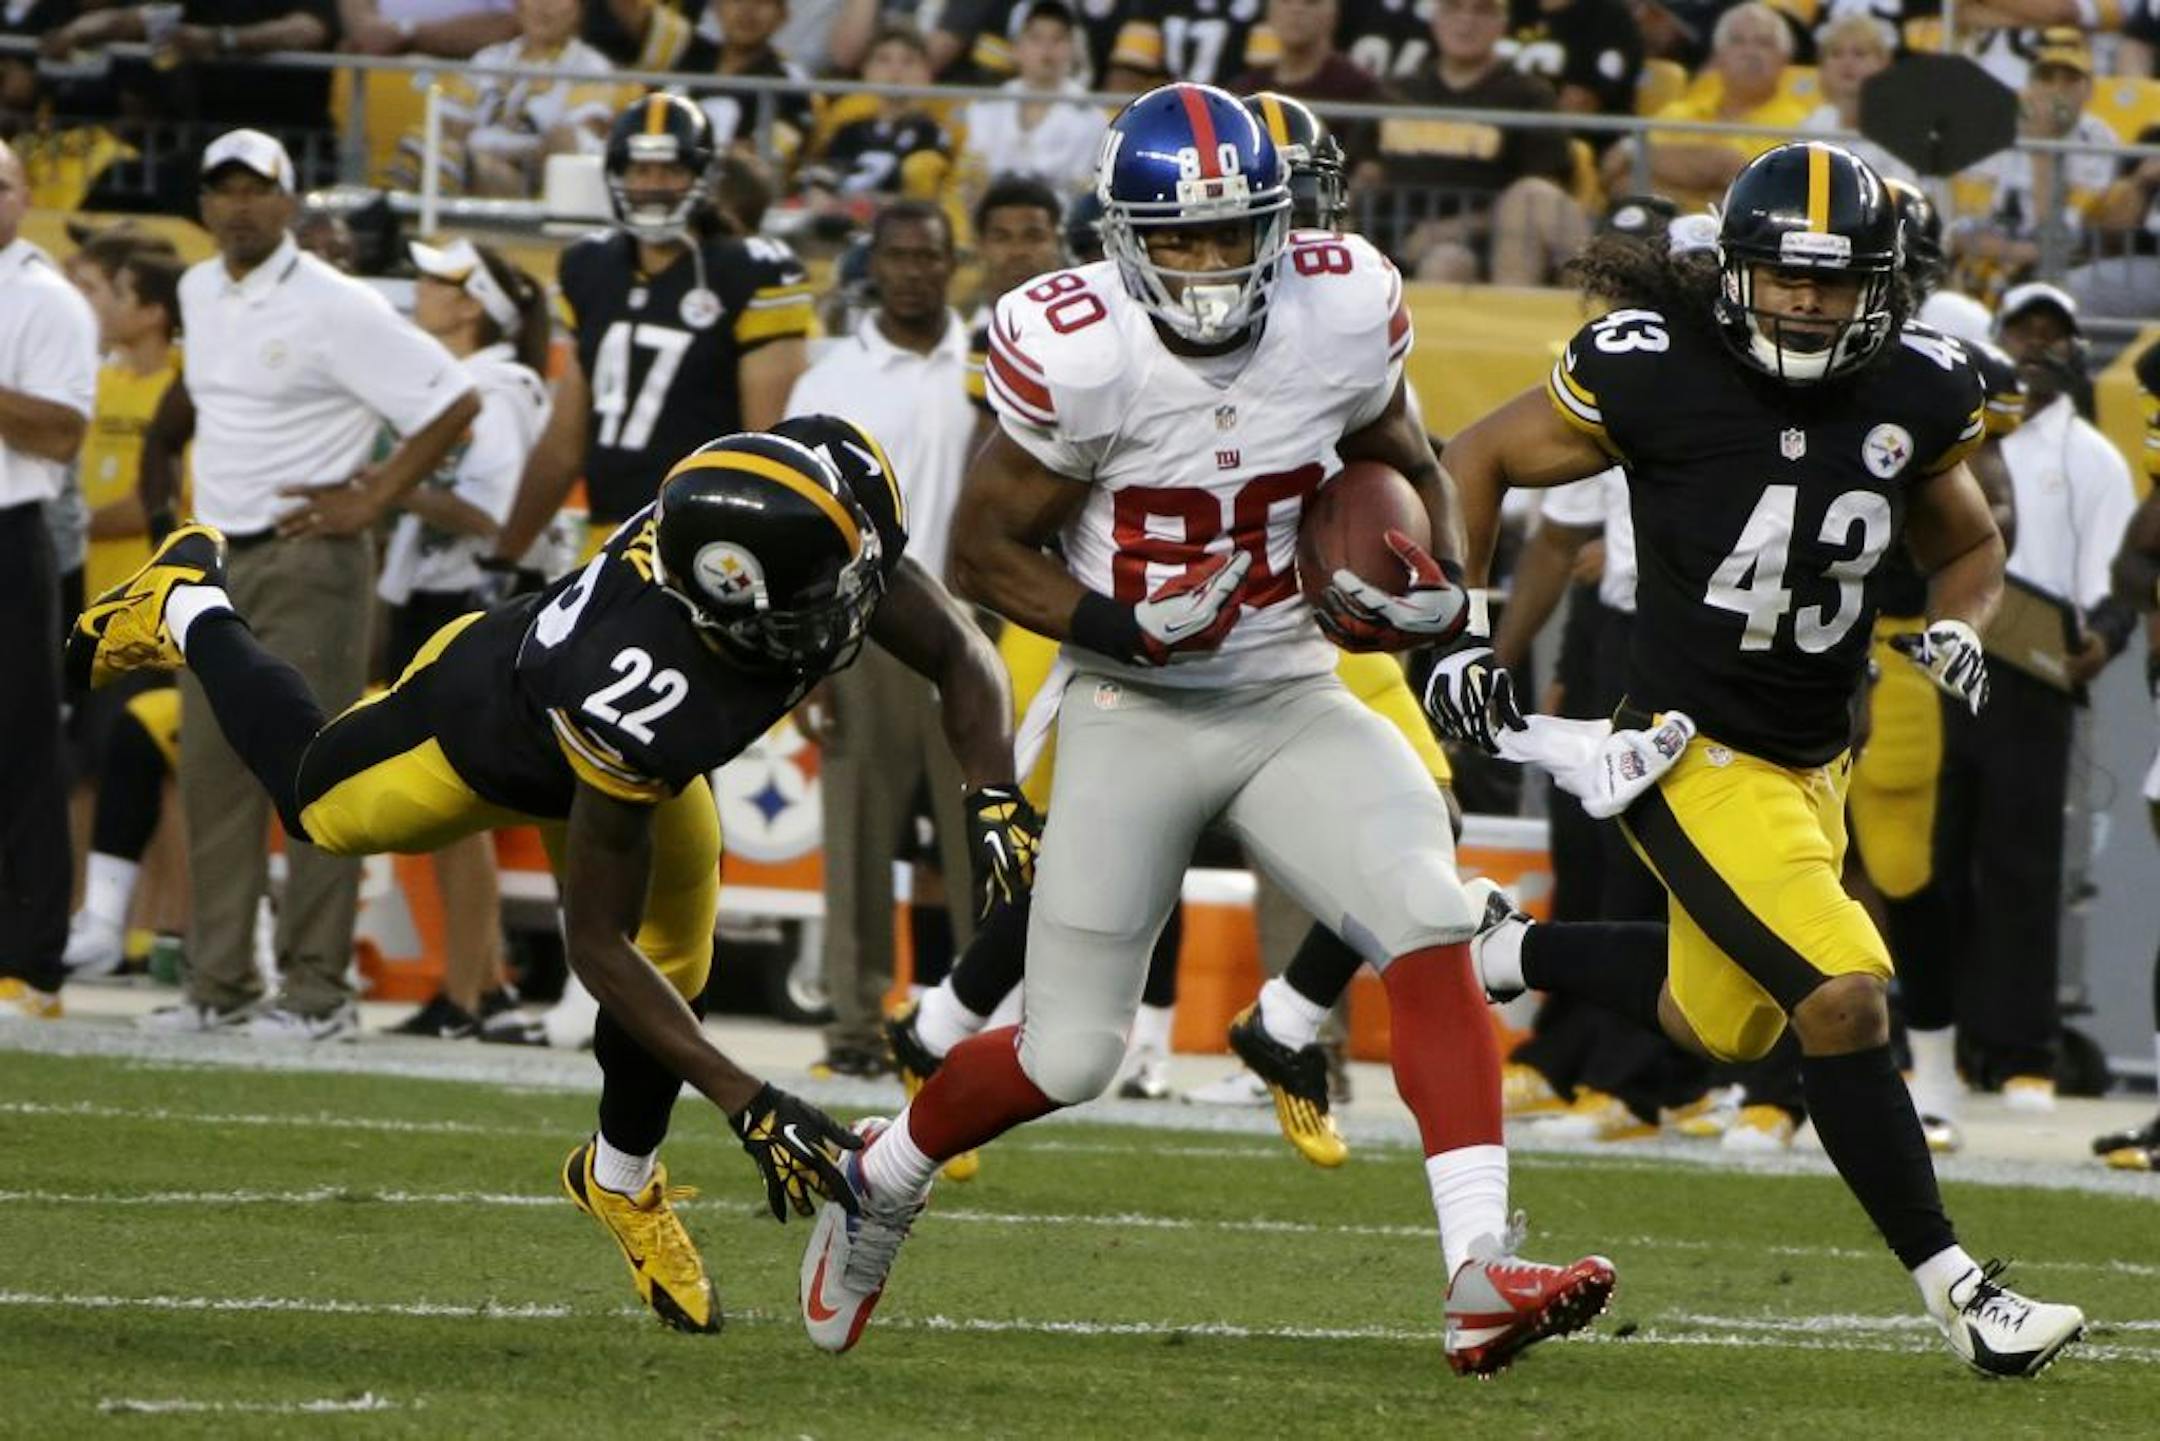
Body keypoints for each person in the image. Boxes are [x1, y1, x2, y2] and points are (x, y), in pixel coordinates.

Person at [801, 81, 1618, 1375]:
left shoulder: (1340, 309)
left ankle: (1476, 1270)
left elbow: (1413, 458)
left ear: (1278, 225)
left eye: (1232, 232)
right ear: (1124, 239)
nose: (1207, 261)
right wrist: (1129, 627)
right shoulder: (1081, 347)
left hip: (1292, 689)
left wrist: (1442, 611)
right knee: (1073, 1052)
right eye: (1176, 238)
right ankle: (881, 1171)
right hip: (1135, 701)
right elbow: (980, 548)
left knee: (1428, 915)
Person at [72, 412, 1037, 1335]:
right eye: (824, 597)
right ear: (733, 612)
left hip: (634, 749)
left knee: (680, 961)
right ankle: (189, 603)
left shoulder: (811, 507)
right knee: (316, 804)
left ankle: (618, 1177)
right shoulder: (645, 688)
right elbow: (595, 947)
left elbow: (957, 647)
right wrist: (753, 1102)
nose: (856, 606)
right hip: (490, 732)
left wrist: (993, 794)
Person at [1425, 139, 2088, 1378]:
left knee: (1718, 1020)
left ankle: (1504, 949)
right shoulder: (1656, 369)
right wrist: (1461, 634)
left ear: (1883, 289)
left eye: (1835, 285)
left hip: (1813, 752)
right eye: (1786, 276)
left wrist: (1956, 620)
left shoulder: (1919, 388)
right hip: (1684, 747)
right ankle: (1965, 1294)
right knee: (1842, 997)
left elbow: (1968, 543)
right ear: (1735, 271)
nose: (1806, 303)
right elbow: (1478, 455)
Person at [134, 130, 482, 1041]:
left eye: (259, 188)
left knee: (316, 773)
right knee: (212, 769)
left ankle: (318, 989)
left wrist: (372, 498)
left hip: (308, 558)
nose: (240, 204)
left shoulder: (338, 303)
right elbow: (199, 409)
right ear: (203, 202)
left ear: (290, 201)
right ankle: (218, 982)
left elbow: (453, 399)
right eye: (224, 188)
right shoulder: (199, 289)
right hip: (218, 559)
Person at [786, 203, 987, 1076]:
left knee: (981, 836)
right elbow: (797, 521)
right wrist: (807, 658)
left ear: (954, 263)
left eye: (929, 255)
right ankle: (856, 1028)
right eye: (899, 255)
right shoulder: (830, 379)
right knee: (858, 835)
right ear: (878, 265)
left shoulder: (988, 361)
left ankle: (978, 1028)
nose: (914, 270)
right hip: (860, 626)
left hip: (973, 627)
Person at [1930, 283, 2135, 1104]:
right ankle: (1935, 1039)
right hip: (1941, 661)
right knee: (1930, 865)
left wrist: (2104, 641)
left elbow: (2118, 576)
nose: (2037, 344)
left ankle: (2020, 1049)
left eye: (2055, 332)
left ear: (2075, 350)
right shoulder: (1953, 432)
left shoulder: (2092, 455)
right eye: (2024, 328)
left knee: (2020, 865)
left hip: (2031, 676)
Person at [499, 94, 812, 566]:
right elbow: (564, 443)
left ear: (702, 177)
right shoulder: (592, 266)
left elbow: (767, 448)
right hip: (606, 538)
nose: (653, 186)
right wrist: (502, 556)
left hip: (700, 537)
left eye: (670, 170)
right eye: (641, 171)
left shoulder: (749, 272)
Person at [377, 238, 556, 1039]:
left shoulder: (498, 385)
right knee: (449, 803)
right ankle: (484, 986)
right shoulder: (460, 380)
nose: (418, 288)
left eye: (435, 279)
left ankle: (469, 993)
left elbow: (496, 516)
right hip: (435, 594)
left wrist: (388, 487)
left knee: (456, 805)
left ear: (471, 301)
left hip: (470, 600)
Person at [62, 243, 190, 981]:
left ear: (151, 311)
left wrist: (71, 521)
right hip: (92, 606)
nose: (98, 306)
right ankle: (93, 917)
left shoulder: (178, 388)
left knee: (161, 766)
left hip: (155, 615)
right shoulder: (98, 384)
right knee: (84, 768)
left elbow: (151, 502)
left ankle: (163, 928)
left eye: (111, 292)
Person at [0, 137, 99, 1020]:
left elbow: (63, 431)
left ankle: (31, 965)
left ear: (25, 196)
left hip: (9, 530)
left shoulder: (47, 300)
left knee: (22, 748)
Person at [1379, 0, 1586, 284]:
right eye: (1454, 8)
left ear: (1503, 23)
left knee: (1449, 259)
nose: (1466, 21)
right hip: (1396, 241)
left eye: (1483, 10)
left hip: (1498, 246)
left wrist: (1454, 228)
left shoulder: (1528, 96)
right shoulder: (1396, 92)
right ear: (1435, 18)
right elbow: (1364, 174)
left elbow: (1540, 196)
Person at [393, 0, 620, 198]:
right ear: (518, 5)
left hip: (528, 176)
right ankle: (393, 220)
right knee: (421, 140)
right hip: (468, 163)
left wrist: (490, 158)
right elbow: (449, 124)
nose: (543, 6)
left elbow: (575, 140)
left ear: (579, 9)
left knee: (443, 159)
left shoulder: (591, 67)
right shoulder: (489, 59)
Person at [1602, 2, 1808, 210]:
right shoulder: (1681, 110)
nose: (1750, 52)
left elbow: (1747, 185)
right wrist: (1710, 191)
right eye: (1737, 41)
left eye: (1764, 43)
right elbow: (1616, 174)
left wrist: (1640, 154)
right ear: (1718, 57)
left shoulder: (1800, 124)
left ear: (1785, 59)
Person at [958, 1, 1109, 200]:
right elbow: (972, 181)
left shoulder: (1092, 117)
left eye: (1058, 39)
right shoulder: (986, 108)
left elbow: (1086, 191)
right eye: (1036, 38)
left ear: (1073, 48)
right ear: (1016, 47)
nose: (1047, 50)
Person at [802, 24, 953, 202]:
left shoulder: (932, 134)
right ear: (866, 71)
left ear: (927, 73)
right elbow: (826, 171)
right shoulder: (849, 130)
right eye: (883, 60)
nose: (895, 71)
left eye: (909, 61)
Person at [1800, 15, 1915, 187]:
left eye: (1859, 54)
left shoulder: (1901, 128)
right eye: (1836, 53)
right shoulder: (1814, 123)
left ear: (1883, 64)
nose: (1847, 63)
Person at [1504, 0, 1643, 120]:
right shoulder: (1507, 10)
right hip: (1499, 132)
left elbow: (1580, 104)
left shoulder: (1609, 19)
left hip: (1577, 140)